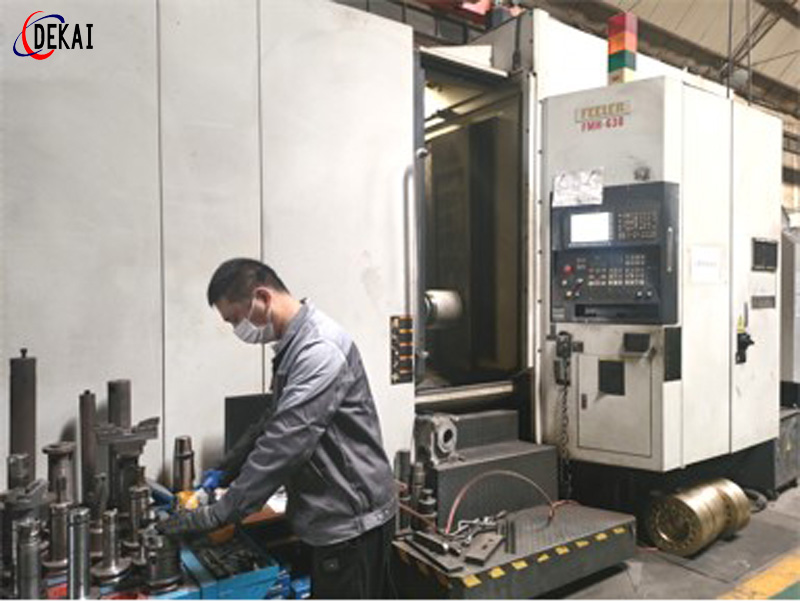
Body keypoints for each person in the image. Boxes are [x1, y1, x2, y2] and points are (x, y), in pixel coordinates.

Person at [157, 258, 397, 599]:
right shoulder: (294, 347)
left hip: (354, 523)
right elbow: (271, 421)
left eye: (235, 319)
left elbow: (285, 442)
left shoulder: (319, 350)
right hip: (332, 516)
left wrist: (218, 514)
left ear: (263, 298)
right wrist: (224, 470)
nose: (237, 330)